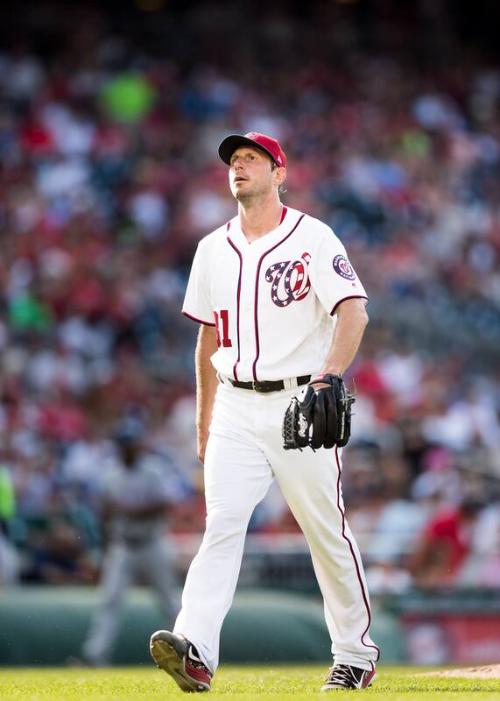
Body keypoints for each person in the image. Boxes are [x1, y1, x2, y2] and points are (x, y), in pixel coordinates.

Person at [149, 132, 379, 691]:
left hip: (299, 401)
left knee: (325, 531)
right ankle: (196, 648)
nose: (239, 167)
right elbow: (207, 342)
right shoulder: (212, 248)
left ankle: (355, 653)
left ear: (280, 173)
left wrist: (329, 376)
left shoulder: (313, 238)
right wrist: (205, 420)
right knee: (221, 526)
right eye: (233, 160)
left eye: (251, 159)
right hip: (233, 403)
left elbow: (354, 313)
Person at [80, 418, 178, 666]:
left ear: (138, 444)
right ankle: (95, 655)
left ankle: (188, 650)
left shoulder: (154, 469)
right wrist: (101, 552)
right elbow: (104, 515)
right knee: (109, 600)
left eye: (130, 442)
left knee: (169, 601)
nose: (127, 447)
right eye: (124, 443)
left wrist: (129, 511)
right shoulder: (110, 475)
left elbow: (165, 504)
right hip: (122, 545)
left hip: (152, 543)